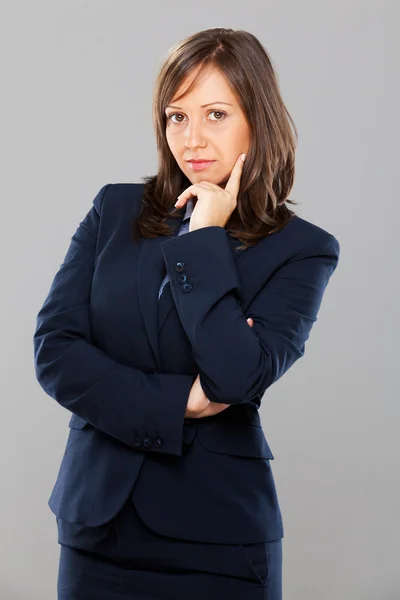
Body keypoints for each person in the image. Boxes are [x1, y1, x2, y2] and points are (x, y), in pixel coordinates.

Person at [33, 27, 340, 600]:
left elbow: (233, 377)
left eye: (216, 114)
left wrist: (205, 238)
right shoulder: (114, 210)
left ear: (258, 119)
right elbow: (55, 351)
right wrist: (180, 403)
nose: (192, 137)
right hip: (96, 531)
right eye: (177, 117)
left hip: (217, 541)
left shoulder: (302, 248)